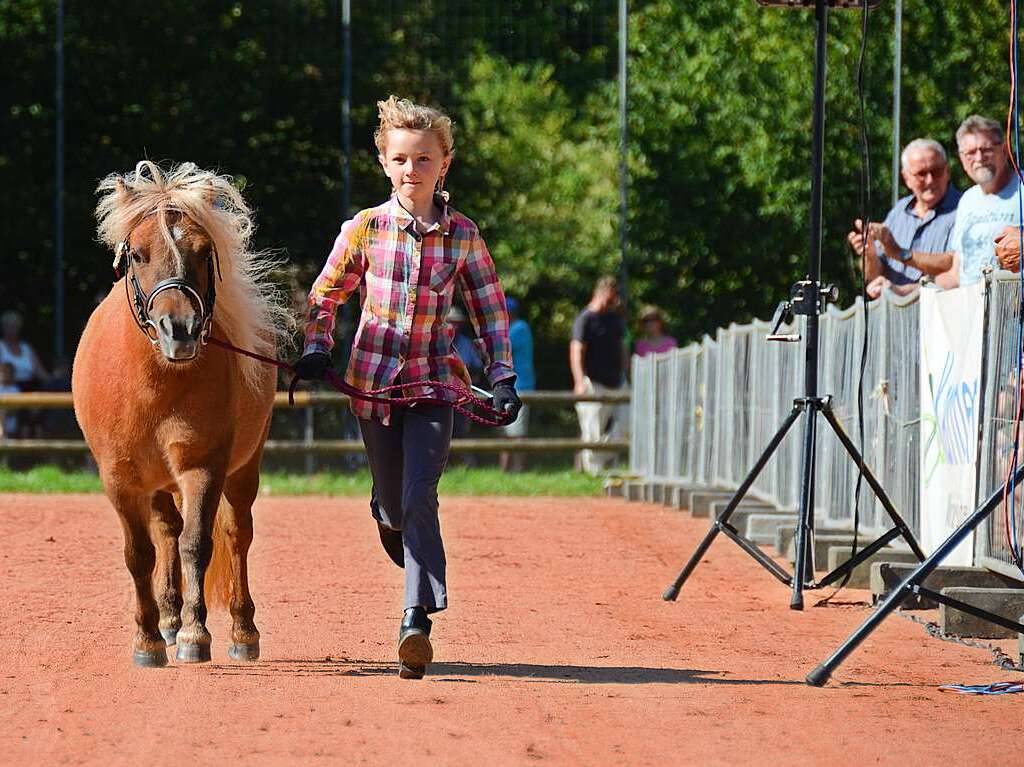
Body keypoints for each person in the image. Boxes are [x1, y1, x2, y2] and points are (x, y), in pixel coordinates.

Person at [293, 96, 520, 680]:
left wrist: (503, 377)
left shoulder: (464, 236)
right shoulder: (365, 229)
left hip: (434, 383)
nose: (411, 169)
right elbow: (326, 295)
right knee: (396, 503)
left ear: (444, 164)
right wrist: (318, 345)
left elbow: (489, 311)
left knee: (421, 491)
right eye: (400, 159)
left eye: (424, 158)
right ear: (384, 162)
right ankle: (385, 511)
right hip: (372, 384)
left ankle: (414, 620)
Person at [846, 138, 960, 298]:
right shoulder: (899, 211)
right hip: (894, 317)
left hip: (938, 314)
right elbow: (873, 275)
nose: (930, 180)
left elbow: (954, 265)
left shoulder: (963, 208)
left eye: (936, 171)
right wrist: (870, 254)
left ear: (947, 171)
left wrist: (899, 253)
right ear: (906, 178)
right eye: (921, 174)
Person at [936, 115, 1020, 289]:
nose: (979, 158)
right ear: (961, 158)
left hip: (1014, 310)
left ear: (1004, 149)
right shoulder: (967, 200)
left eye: (986, 149)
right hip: (971, 310)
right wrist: (914, 289)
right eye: (970, 153)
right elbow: (956, 273)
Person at [570, 276, 628, 475]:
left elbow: (622, 348)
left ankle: (602, 463)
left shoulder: (614, 318)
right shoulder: (585, 319)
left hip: (617, 382)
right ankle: (595, 473)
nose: (614, 303)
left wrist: (627, 375)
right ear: (600, 294)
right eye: (610, 299)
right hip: (594, 382)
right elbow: (577, 350)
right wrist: (579, 381)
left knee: (627, 426)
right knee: (592, 431)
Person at [499, 297, 536, 473]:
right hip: (514, 385)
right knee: (508, 431)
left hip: (520, 385)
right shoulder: (517, 328)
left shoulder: (519, 328)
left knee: (517, 433)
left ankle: (518, 470)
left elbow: (500, 349)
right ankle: (506, 471)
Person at [0, 362, 20, 438]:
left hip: (11, 422)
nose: (5, 375)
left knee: (3, 409)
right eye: (3, 372)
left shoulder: (16, 389)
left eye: (8, 372)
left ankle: (3, 434)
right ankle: (3, 434)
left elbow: (16, 408)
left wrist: (5, 410)